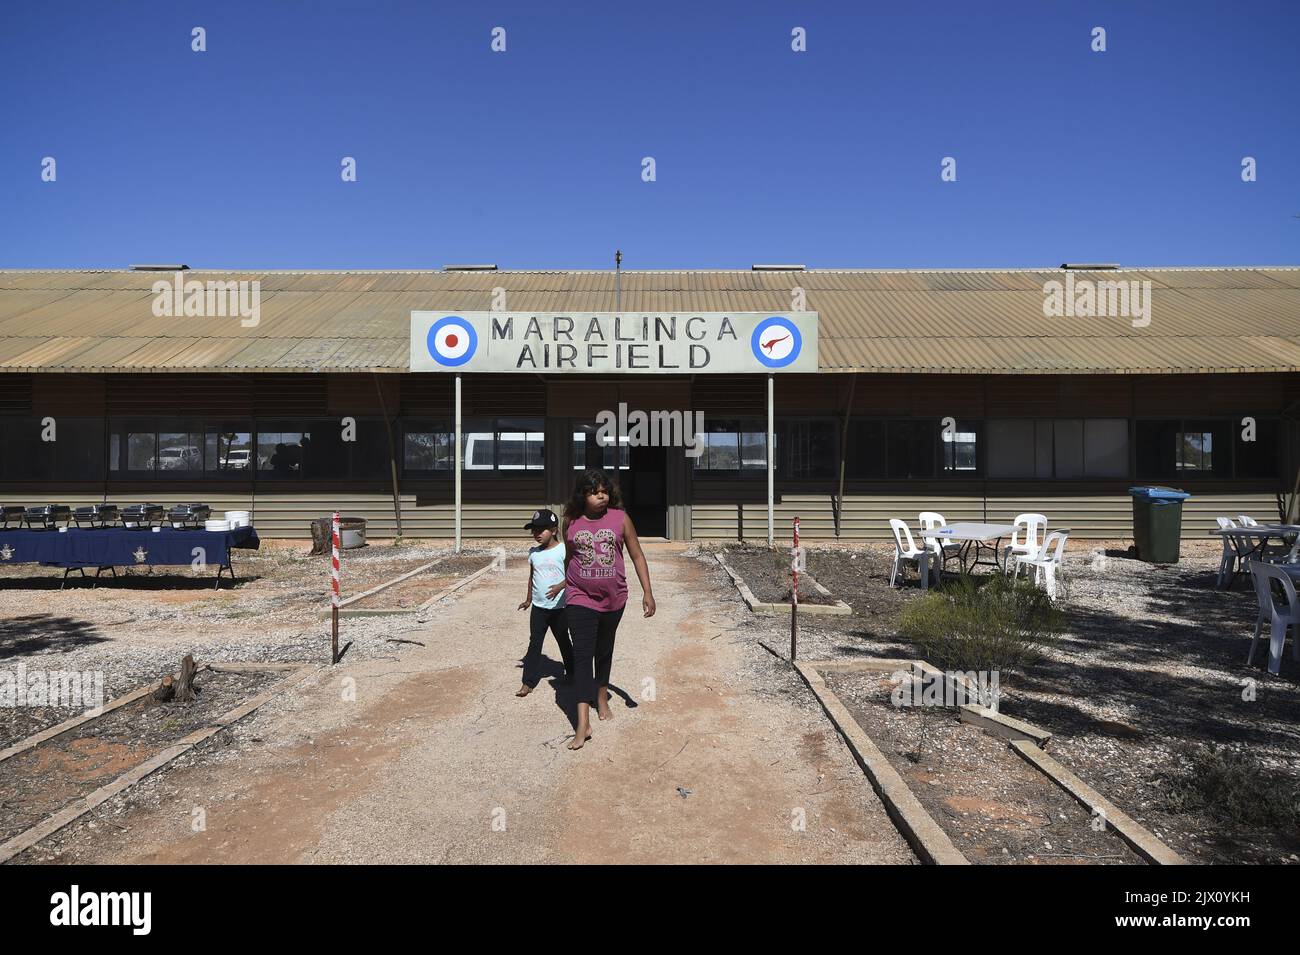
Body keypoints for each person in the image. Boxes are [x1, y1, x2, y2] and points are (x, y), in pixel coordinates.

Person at [547, 469, 655, 750]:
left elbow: (636, 554)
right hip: (579, 596)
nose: (601, 496)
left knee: (603, 649)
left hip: (614, 599)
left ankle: (602, 695)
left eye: (605, 491)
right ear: (583, 495)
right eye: (595, 492)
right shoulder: (571, 522)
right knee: (583, 656)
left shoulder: (621, 519)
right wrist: (563, 584)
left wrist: (648, 591)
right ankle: (583, 724)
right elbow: (570, 558)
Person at [516, 508, 574, 697]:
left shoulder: (563, 550)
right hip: (539, 608)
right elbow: (532, 577)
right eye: (534, 530)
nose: (537, 534)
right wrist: (528, 599)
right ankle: (528, 682)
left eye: (542, 530)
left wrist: (560, 586)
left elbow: (572, 575)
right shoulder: (534, 553)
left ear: (554, 530)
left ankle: (572, 674)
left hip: (560, 608)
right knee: (535, 644)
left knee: (564, 641)